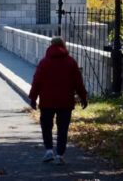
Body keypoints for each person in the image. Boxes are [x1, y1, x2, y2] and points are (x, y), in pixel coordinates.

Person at [28, 36, 88, 166]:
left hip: (47, 101)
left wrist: (33, 98)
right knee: (63, 128)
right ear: (63, 46)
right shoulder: (71, 62)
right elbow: (78, 83)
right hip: (65, 102)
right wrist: (83, 97)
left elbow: (37, 81)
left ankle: (49, 150)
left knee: (46, 126)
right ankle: (60, 155)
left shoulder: (44, 62)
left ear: (51, 45)